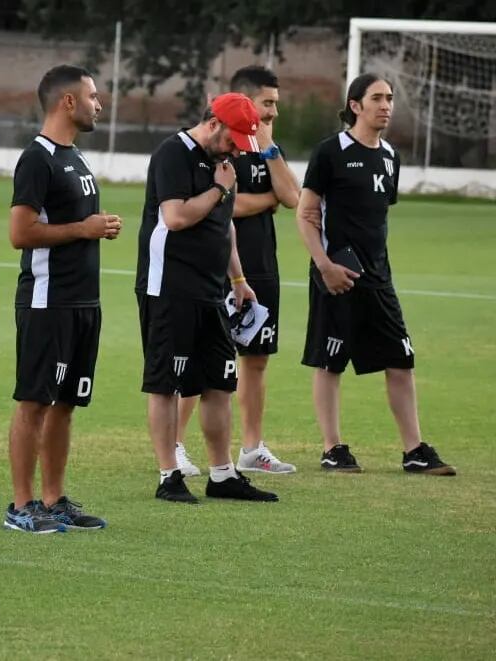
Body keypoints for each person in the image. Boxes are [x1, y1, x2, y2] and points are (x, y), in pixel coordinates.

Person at [296, 74, 455, 475]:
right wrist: (325, 265)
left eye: (389, 99)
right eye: (377, 98)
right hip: (336, 274)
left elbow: (375, 219)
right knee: (330, 362)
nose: (386, 105)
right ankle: (333, 449)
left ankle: (415, 451)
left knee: (402, 360)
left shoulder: (389, 156)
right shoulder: (330, 152)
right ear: (355, 106)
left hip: (379, 278)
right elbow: (306, 212)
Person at [136, 93, 279, 504]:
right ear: (214, 123)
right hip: (169, 289)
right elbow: (176, 216)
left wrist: (238, 278)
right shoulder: (173, 154)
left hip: (212, 290)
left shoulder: (226, 166)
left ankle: (222, 475)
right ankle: (169, 475)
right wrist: (219, 187)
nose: (236, 148)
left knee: (220, 383)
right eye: (233, 138)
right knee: (165, 384)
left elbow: (225, 226)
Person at [3, 65, 121, 534]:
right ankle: (20, 504)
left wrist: (96, 229)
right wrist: (84, 229)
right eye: (93, 96)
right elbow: (19, 232)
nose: (99, 103)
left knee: (66, 404)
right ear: (67, 102)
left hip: (82, 303)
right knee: (34, 402)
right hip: (47, 302)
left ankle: (53, 499)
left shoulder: (74, 157)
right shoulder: (38, 158)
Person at [173, 66, 301, 477]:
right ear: (245, 100)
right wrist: (266, 200)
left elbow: (292, 196)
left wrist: (270, 151)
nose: (274, 112)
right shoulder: (222, 147)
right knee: (204, 360)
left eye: (276, 104)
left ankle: (252, 448)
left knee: (256, 358)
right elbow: (228, 203)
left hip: (261, 265)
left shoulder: (263, 145)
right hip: (218, 267)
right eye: (267, 103)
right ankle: (175, 445)